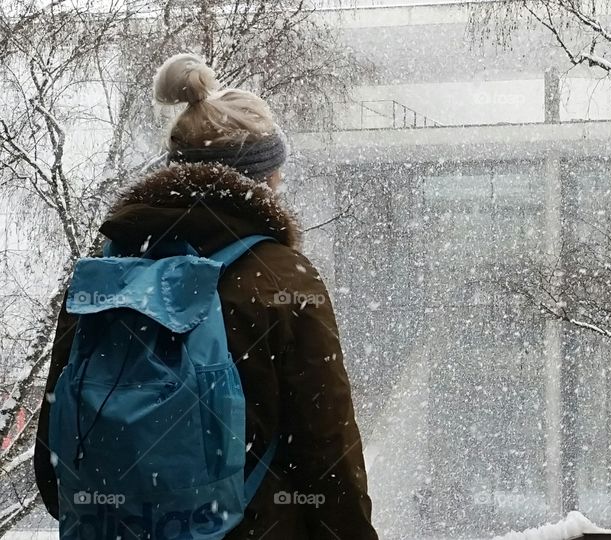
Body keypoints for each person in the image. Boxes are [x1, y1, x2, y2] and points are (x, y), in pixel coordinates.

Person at [33, 53, 378, 539]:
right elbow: (326, 443)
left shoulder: (109, 270)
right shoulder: (281, 278)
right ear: (261, 179)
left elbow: (56, 442)